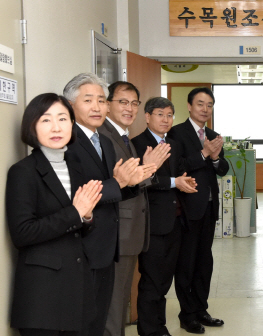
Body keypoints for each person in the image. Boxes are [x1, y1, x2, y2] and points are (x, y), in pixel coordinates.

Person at [64, 73, 155, 336]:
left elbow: (117, 189)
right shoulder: (69, 141)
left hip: (111, 236)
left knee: (109, 307)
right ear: (71, 105)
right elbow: (81, 194)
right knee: (98, 314)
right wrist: (121, 182)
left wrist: (134, 180)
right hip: (88, 239)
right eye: (89, 100)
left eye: (101, 100)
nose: (97, 107)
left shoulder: (102, 139)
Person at [7, 93, 102, 336]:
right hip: (42, 297)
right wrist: (76, 212)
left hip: (77, 289)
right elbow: (22, 233)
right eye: (46, 120)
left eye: (63, 119)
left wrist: (87, 216)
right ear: (32, 126)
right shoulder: (22, 172)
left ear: (72, 124)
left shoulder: (75, 166)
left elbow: (81, 226)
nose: (56, 127)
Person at [99, 82, 171, 336]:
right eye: (122, 102)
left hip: (130, 232)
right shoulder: (105, 136)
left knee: (119, 300)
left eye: (134, 103)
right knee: (113, 302)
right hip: (117, 231)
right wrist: (148, 169)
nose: (129, 108)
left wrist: (146, 169)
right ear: (107, 104)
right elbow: (118, 183)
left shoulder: (121, 136)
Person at [131, 97, 198, 336]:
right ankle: (149, 329)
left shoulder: (174, 143)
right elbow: (139, 181)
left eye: (169, 115)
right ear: (147, 116)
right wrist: (174, 182)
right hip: (153, 223)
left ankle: (159, 326)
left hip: (176, 221)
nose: (166, 119)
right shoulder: (137, 144)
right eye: (160, 114)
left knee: (164, 280)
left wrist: (184, 180)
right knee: (152, 280)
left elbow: (179, 172)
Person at [166, 87, 229, 334]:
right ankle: (187, 314)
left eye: (210, 105)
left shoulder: (213, 134)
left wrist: (214, 157)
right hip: (187, 207)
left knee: (205, 261)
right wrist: (204, 153)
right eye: (200, 104)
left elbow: (222, 168)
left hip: (210, 207)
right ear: (190, 106)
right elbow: (177, 166)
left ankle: (201, 309)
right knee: (187, 262)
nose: (205, 109)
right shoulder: (176, 132)